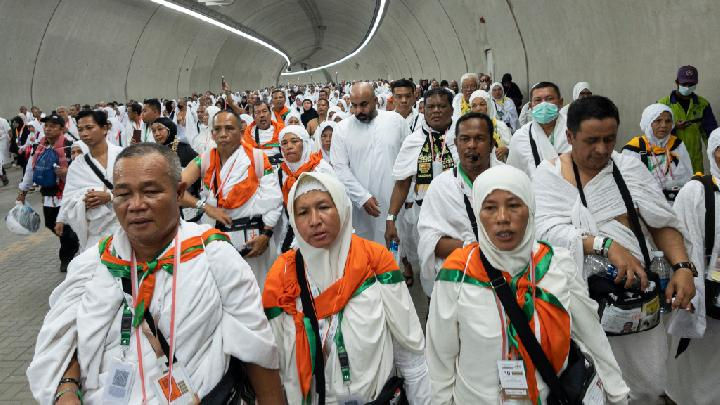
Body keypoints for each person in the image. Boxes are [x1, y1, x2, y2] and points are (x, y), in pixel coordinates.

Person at [27, 143, 283, 404]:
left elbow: (256, 347)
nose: (136, 205)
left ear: (179, 193)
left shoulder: (212, 254)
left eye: (150, 192)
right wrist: (67, 390)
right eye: (123, 194)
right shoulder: (92, 265)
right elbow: (60, 343)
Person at [531, 96, 696, 404]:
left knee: (646, 385)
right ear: (569, 137)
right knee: (589, 386)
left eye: (609, 139)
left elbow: (661, 223)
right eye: (591, 140)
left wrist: (684, 268)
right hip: (577, 304)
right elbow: (542, 232)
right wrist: (604, 245)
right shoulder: (548, 176)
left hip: (635, 302)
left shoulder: (629, 168)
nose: (602, 149)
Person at [426, 164, 629, 404]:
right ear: (478, 214)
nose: (502, 218)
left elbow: (592, 336)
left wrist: (618, 394)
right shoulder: (457, 275)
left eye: (514, 205)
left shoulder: (556, 265)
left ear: (530, 209)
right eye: (490, 207)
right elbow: (440, 359)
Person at [262, 172, 431, 404]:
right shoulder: (282, 277)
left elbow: (409, 349)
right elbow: (275, 368)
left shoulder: (374, 259)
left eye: (323, 207)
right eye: (303, 212)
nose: (315, 220)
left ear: (341, 207)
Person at [180, 110, 282, 287]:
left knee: (262, 292)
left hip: (254, 237)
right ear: (212, 134)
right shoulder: (203, 161)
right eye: (217, 129)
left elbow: (273, 201)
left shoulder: (257, 158)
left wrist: (266, 235)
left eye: (229, 128)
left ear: (241, 132)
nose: (223, 134)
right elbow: (174, 191)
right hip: (220, 238)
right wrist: (205, 207)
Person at [416, 112, 499, 296]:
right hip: (458, 281)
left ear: (492, 144)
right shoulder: (441, 186)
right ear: (456, 143)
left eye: (479, 138)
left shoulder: (509, 181)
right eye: (465, 139)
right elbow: (429, 241)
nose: (471, 145)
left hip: (506, 278)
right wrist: (472, 248)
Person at [665, 128, 720, 405]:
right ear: (712, 152)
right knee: (700, 354)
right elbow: (682, 239)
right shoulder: (696, 191)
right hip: (706, 287)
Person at [386, 88, 457, 287]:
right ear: (423, 110)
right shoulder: (413, 141)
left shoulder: (463, 137)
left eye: (442, 106)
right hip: (424, 218)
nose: (436, 111)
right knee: (430, 270)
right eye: (430, 107)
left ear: (451, 110)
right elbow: (402, 184)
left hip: (460, 215)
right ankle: (432, 310)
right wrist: (391, 219)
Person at [330, 82, 410, 244]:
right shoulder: (342, 129)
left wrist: (408, 198)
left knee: (394, 251)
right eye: (354, 106)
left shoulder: (396, 121)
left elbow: (407, 160)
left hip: (394, 202)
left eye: (364, 104)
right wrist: (362, 196)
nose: (358, 111)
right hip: (361, 206)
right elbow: (340, 168)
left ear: (375, 100)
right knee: (365, 252)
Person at [17, 114, 79, 272]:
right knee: (51, 224)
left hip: (67, 195)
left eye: (53, 126)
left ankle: (66, 258)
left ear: (62, 128)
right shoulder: (40, 147)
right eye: (46, 126)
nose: (48, 129)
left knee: (65, 228)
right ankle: (74, 242)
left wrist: (67, 171)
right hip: (48, 195)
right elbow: (31, 169)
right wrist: (23, 190)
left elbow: (82, 169)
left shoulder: (70, 146)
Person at [55, 110, 122, 251]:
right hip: (97, 234)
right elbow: (68, 198)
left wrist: (110, 196)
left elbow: (139, 188)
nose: (84, 133)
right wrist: (84, 201)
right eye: (80, 130)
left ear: (105, 128)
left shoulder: (123, 155)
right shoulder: (77, 166)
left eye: (89, 128)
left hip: (126, 227)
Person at [275, 124, 335, 253]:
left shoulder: (320, 169)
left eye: (294, 141)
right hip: (290, 236)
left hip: (320, 233)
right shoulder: (281, 173)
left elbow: (337, 202)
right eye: (284, 143)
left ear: (305, 144)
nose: (289, 146)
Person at [621, 104, 692, 203]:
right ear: (648, 123)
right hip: (647, 206)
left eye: (668, 121)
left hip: (677, 203)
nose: (663, 125)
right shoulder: (633, 149)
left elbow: (687, 176)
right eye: (658, 121)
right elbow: (628, 185)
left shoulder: (677, 145)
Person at [658, 65, 718, 173]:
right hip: (669, 162)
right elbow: (653, 133)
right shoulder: (663, 105)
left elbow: (711, 135)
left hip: (695, 163)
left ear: (696, 83)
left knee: (696, 188)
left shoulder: (702, 105)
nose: (687, 87)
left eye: (691, 84)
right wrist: (673, 126)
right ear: (677, 82)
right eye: (684, 84)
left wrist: (716, 158)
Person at [507, 81, 570, 177]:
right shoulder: (520, 138)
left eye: (549, 99)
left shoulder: (576, 131)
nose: (543, 105)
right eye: (538, 100)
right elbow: (514, 176)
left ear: (560, 103)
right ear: (531, 106)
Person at [468, 89, 512, 161]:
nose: (478, 108)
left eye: (482, 104)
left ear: (488, 106)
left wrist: (506, 149)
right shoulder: (468, 128)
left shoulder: (499, 126)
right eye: (474, 106)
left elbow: (513, 146)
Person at [243, 101, 285, 169]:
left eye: (264, 111)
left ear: (270, 114)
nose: (262, 115)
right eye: (257, 112)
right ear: (253, 117)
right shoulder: (248, 134)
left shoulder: (282, 130)